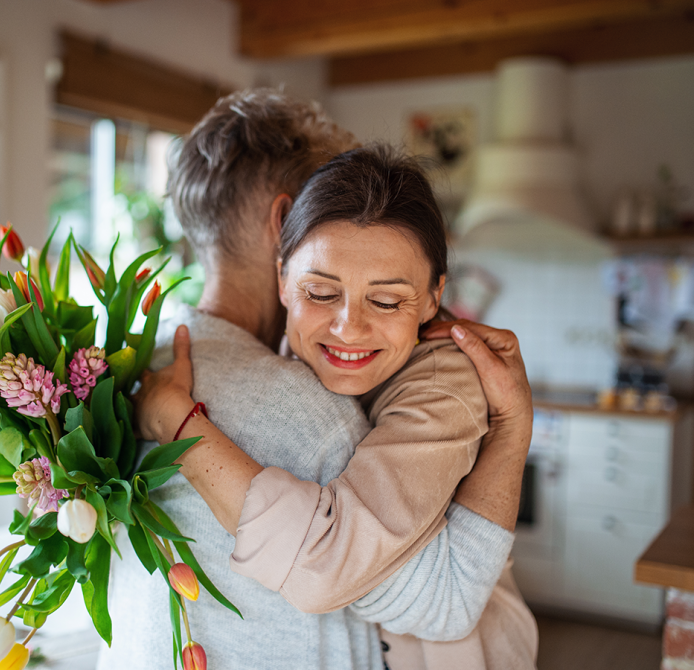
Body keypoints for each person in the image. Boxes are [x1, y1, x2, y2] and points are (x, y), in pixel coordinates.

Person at [96, 90, 535, 670]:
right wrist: (512, 431)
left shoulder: (121, 370)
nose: (350, 325)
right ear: (287, 232)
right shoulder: (307, 415)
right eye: (323, 289)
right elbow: (445, 602)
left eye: (386, 297)